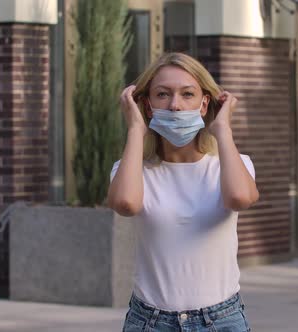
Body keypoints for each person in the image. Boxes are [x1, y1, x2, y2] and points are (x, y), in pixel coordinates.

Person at [107, 52, 259, 332]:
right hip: (150, 322)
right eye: (163, 94)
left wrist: (223, 128)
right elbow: (125, 204)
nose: (175, 105)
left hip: (222, 319)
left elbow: (240, 198)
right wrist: (135, 130)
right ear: (149, 106)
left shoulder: (232, 164)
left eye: (187, 94)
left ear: (204, 104)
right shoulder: (131, 169)